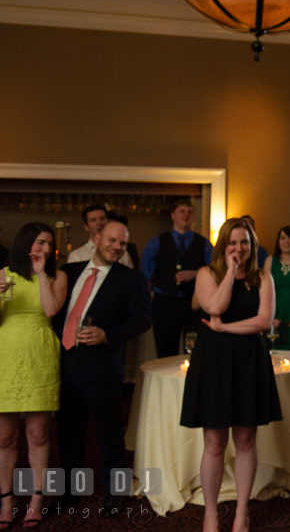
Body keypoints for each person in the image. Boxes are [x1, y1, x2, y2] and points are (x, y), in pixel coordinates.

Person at [180, 218, 281, 532]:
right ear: (223, 246)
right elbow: (214, 305)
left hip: (249, 358)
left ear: (252, 245)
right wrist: (232, 273)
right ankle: (210, 513)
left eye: (245, 243)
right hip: (214, 360)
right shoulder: (206, 274)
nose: (239, 249)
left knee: (246, 439)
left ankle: (241, 511)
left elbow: (265, 320)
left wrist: (226, 327)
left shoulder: (263, 277)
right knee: (213, 442)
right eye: (233, 243)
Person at [53, 220, 151, 517]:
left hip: (102, 367)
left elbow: (142, 320)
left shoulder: (132, 279)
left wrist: (107, 334)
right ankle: (70, 492)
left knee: (109, 435)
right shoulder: (68, 273)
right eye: (111, 240)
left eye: (122, 243)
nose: (117, 247)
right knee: (68, 433)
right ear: (96, 238)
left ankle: (115, 495)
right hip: (65, 363)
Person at [0, 223, 68, 529]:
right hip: (6, 356)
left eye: (49, 244)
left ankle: (37, 499)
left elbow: (52, 310)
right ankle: (7, 501)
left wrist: (41, 274)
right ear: (26, 242)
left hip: (40, 354)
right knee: (4, 436)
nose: (45, 248)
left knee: (38, 434)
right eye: (40, 242)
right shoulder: (3, 274)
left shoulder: (58, 276)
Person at [141, 199, 213, 358]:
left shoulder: (204, 244)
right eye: (182, 211)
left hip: (193, 304)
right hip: (164, 303)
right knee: (165, 352)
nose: (186, 214)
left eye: (190, 211)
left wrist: (195, 273)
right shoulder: (156, 242)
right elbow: (145, 275)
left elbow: (215, 270)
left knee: (195, 351)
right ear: (173, 215)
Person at [67, 204, 133, 267]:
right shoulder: (76, 256)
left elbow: (131, 277)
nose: (99, 223)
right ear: (86, 227)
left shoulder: (121, 252)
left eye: (102, 219)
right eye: (93, 220)